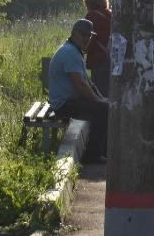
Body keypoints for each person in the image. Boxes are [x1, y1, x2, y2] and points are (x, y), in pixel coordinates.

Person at [47, 19, 109, 164]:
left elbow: (88, 82)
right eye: (82, 35)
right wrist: (98, 101)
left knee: (104, 106)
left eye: (88, 36)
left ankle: (102, 150)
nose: (86, 39)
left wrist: (101, 99)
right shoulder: (70, 53)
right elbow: (80, 84)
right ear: (74, 33)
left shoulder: (74, 50)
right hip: (63, 105)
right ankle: (93, 154)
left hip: (69, 101)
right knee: (102, 110)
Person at [82, 0, 112, 98]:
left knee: (100, 95)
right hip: (111, 60)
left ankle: (102, 115)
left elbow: (89, 41)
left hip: (98, 60)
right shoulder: (110, 15)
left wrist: (83, 50)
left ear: (89, 2)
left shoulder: (91, 16)